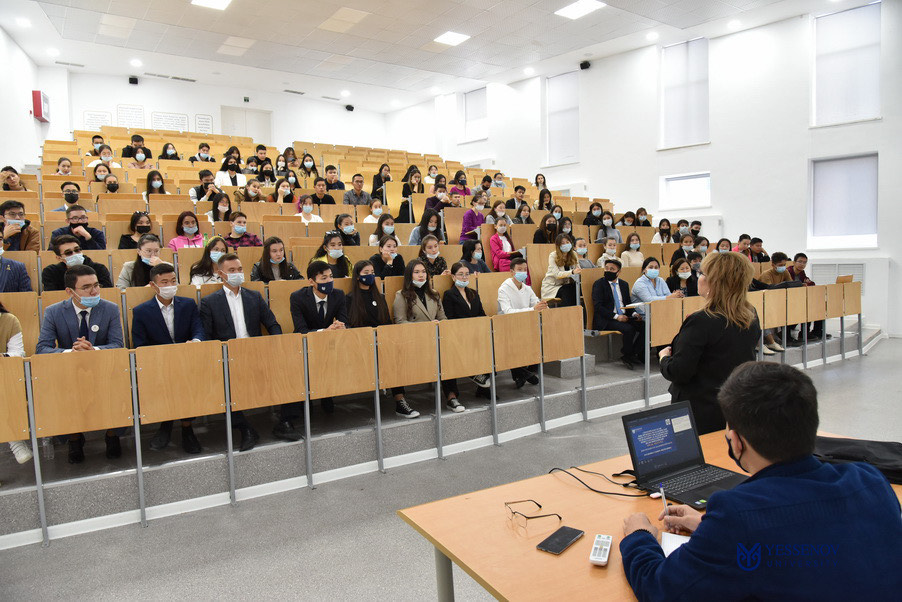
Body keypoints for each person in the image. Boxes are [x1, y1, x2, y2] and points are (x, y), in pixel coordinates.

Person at [620, 362, 902, 601]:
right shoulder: (871, 482)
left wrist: (639, 536)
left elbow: (660, 589)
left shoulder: (737, 515)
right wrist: (708, 526)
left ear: (736, 442)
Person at [657, 251, 761, 433]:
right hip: (734, 404)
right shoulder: (750, 314)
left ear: (714, 282)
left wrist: (664, 358)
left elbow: (679, 372)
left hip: (698, 411)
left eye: (702, 273)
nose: (698, 277)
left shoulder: (701, 320)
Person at [200, 254, 293, 448]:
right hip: (228, 358)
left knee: (290, 369)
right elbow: (207, 336)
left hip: (257, 351)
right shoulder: (210, 302)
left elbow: (272, 324)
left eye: (240, 269)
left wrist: (279, 346)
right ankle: (245, 429)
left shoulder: (254, 296)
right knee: (222, 384)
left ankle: (285, 422)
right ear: (221, 274)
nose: (237, 273)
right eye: (232, 270)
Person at [36, 264, 125, 463]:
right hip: (68, 370)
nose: (94, 291)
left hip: (103, 368)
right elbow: (42, 348)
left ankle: (112, 434)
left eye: (96, 285)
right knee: (58, 387)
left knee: (119, 380)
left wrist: (93, 351)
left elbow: (118, 345)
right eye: (86, 287)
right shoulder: (54, 312)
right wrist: (72, 352)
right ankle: (74, 438)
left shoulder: (110, 308)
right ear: (70, 291)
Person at [131, 264, 205, 454]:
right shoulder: (141, 311)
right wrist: (159, 357)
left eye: (173, 281)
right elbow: (140, 344)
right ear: (153, 285)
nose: (170, 285)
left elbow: (198, 329)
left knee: (186, 380)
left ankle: (187, 429)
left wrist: (196, 341)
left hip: (186, 359)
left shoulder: (188, 304)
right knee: (164, 382)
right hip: (158, 363)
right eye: (164, 282)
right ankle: (166, 424)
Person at [392, 259, 465, 413]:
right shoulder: (401, 295)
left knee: (447, 352)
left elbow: (443, 317)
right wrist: (425, 327)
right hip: (413, 341)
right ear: (409, 275)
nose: (421, 275)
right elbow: (400, 322)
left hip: (434, 339)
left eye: (423, 272)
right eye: (416, 272)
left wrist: (439, 325)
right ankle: (400, 401)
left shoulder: (434, 294)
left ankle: (451, 397)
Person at [290, 261, 347, 414]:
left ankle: (327, 395)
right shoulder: (297, 297)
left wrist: (340, 326)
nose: (329, 281)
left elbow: (344, 321)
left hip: (330, 342)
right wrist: (324, 331)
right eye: (324, 278)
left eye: (331, 276)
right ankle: (305, 401)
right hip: (305, 343)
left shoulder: (338, 295)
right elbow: (301, 329)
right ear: (311, 282)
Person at [441, 262, 496, 396]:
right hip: (459, 335)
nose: (464, 277)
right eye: (461, 274)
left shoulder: (473, 293)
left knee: (491, 346)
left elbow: (481, 314)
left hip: (476, 333)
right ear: (453, 277)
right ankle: (473, 376)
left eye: (467, 274)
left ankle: (483, 389)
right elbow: (450, 318)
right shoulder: (449, 294)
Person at [592, 258, 644, 369]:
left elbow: (628, 304)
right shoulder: (599, 284)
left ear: (618, 272)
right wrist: (616, 317)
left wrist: (634, 314)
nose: (608, 271)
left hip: (624, 316)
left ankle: (633, 353)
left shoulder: (624, 284)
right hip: (607, 319)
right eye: (606, 268)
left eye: (612, 269)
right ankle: (627, 355)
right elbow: (598, 307)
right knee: (629, 329)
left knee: (645, 326)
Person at [0, 301, 33, 463]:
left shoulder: (9, 320)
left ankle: (13, 439)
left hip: (4, 375)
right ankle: (14, 440)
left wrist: (2, 357)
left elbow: (18, 353)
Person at [42, 235, 113, 291]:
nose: (75, 254)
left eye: (77, 250)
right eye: (68, 253)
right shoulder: (50, 272)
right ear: (59, 258)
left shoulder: (99, 269)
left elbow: (107, 293)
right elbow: (52, 296)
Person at [540, 234, 582, 307]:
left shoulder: (574, 254)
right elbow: (557, 274)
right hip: (553, 286)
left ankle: (578, 311)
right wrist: (572, 272)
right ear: (558, 245)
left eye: (567, 242)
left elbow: (578, 269)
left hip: (566, 285)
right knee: (567, 290)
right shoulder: (553, 255)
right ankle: (567, 312)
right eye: (563, 243)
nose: (566, 244)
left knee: (578, 288)